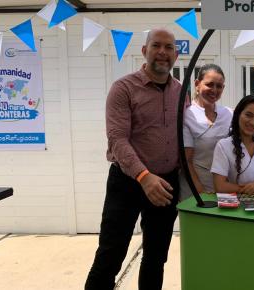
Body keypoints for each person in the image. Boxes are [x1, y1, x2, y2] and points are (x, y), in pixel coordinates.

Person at [85, 28, 186, 290]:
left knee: (156, 258)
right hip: (127, 182)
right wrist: (144, 176)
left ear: (176, 54)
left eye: (168, 47)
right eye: (156, 46)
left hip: (166, 184)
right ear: (144, 51)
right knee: (110, 254)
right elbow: (117, 140)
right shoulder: (123, 88)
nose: (162, 52)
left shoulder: (181, 92)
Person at [181, 64, 233, 198]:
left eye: (219, 86)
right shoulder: (187, 115)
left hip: (225, 186)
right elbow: (186, 160)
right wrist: (199, 189)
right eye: (210, 84)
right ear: (197, 84)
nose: (214, 90)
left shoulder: (228, 114)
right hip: (195, 187)